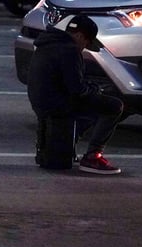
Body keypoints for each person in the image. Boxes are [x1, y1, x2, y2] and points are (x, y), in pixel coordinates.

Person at [27, 14, 124, 174]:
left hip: (42, 102)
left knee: (90, 108)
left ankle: (68, 147)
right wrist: (95, 90)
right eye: (86, 43)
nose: (84, 47)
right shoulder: (70, 50)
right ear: (79, 35)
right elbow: (77, 89)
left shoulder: (48, 43)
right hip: (57, 105)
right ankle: (92, 157)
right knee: (114, 106)